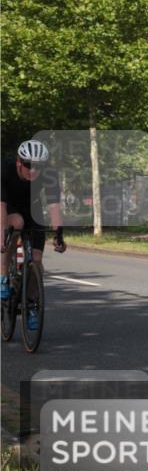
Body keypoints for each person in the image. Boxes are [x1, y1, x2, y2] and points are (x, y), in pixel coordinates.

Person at [1, 140, 67, 329]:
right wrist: (1, 239)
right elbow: (1, 207)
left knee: (36, 260)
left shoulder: (49, 175)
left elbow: (54, 207)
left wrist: (59, 236)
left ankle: (31, 304)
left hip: (33, 212)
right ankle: (3, 277)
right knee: (16, 224)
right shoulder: (4, 170)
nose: (33, 170)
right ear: (19, 162)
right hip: (8, 209)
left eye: (38, 166)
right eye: (29, 165)